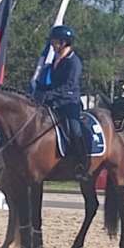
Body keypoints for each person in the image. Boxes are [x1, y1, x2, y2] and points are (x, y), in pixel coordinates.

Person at [35, 25, 90, 182]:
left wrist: (49, 94)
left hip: (69, 102)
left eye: (55, 41)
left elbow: (69, 86)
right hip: (54, 101)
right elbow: (53, 83)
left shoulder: (74, 62)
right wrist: (40, 89)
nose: (52, 44)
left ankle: (82, 164)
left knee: (75, 130)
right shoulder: (56, 60)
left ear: (64, 43)